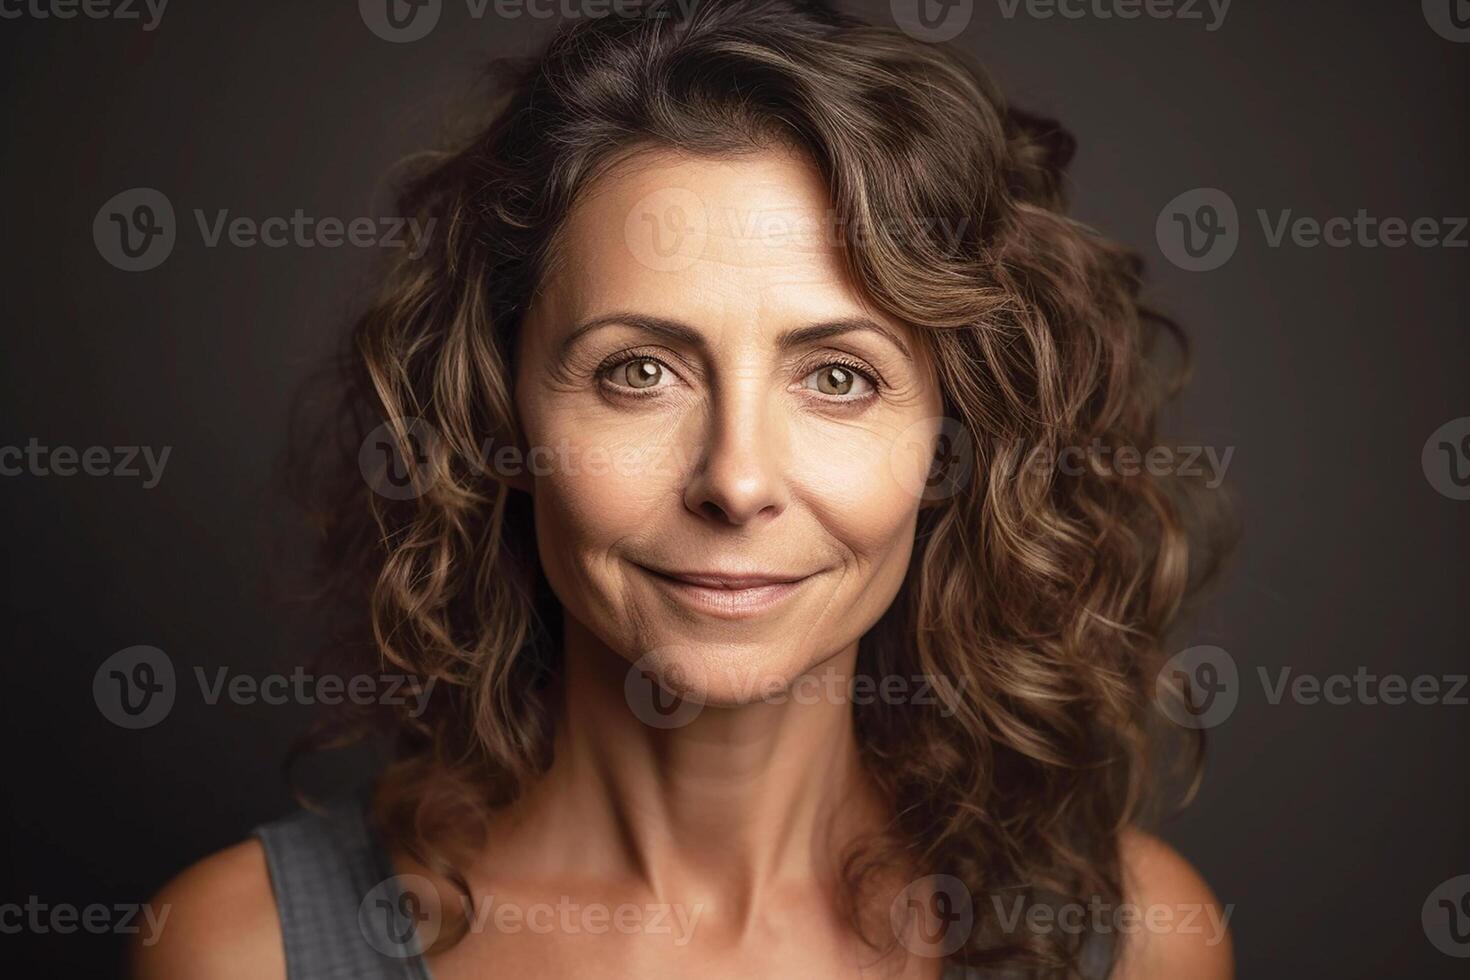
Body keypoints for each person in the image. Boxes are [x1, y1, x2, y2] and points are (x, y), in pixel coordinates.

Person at [135, 2, 1234, 976]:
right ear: (498, 412)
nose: (737, 480)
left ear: (958, 438)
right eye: (639, 372)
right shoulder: (242, 950)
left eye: (839, 376)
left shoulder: (1133, 940)